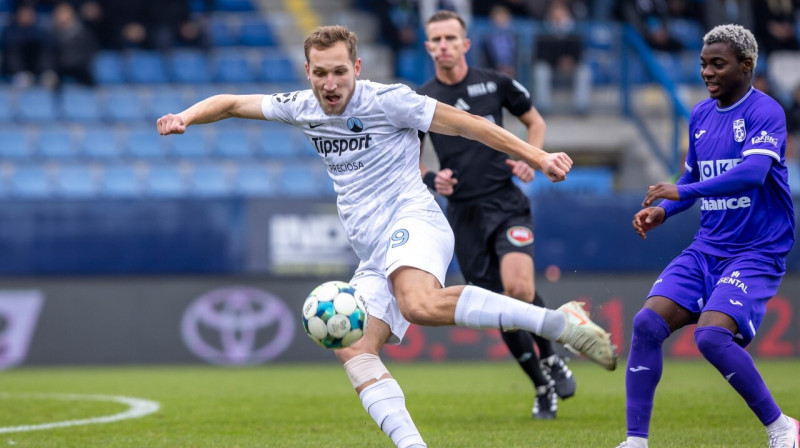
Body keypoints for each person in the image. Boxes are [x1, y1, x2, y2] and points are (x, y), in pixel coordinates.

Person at [157, 25, 616, 448]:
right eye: (320, 73)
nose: (330, 84)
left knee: (418, 303)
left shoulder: (388, 100)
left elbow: (475, 125)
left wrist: (537, 156)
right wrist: (185, 116)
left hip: (414, 218)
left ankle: (559, 323)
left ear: (356, 68)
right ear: (308, 72)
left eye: (339, 71)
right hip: (373, 250)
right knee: (352, 345)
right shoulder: (301, 106)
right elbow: (232, 103)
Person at [618, 24, 797, 448]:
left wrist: (682, 191)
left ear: (746, 65)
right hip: (707, 249)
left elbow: (752, 175)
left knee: (711, 336)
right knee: (646, 324)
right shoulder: (699, 115)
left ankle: (782, 428)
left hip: (756, 250)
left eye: (718, 64)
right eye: (703, 64)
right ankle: (636, 442)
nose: (707, 73)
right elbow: (693, 178)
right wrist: (664, 209)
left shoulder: (765, 111)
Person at [417, 10, 576, 420]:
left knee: (519, 290)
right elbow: (409, 163)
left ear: (466, 44)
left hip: (506, 204)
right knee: (498, 309)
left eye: (452, 37)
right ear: (428, 47)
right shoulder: (420, 100)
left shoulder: (496, 83)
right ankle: (541, 386)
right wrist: (434, 179)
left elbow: (534, 121)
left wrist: (533, 159)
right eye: (437, 39)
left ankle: (552, 357)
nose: (445, 45)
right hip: (463, 215)